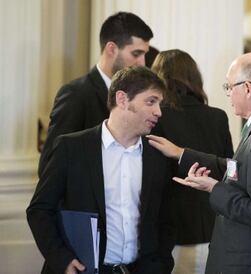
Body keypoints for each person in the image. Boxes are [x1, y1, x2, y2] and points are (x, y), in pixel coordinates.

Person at [148, 52, 251, 274]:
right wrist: (182, 154)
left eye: (229, 86)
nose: (228, 93)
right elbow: (241, 169)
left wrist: (214, 188)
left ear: (248, 88)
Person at [27, 66, 174, 274]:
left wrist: (159, 266)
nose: (158, 112)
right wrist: (63, 260)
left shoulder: (157, 156)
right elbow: (40, 210)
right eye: (151, 102)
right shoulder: (71, 148)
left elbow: (165, 221)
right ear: (122, 99)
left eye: (159, 104)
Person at [38, 11, 153, 176]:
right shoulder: (76, 94)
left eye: (145, 54)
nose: (142, 63)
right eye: (136, 54)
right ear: (111, 49)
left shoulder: (140, 98)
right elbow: (50, 164)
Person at [151, 49, 234, 274]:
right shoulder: (218, 117)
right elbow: (231, 171)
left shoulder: (157, 118)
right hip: (213, 230)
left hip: (172, 233)